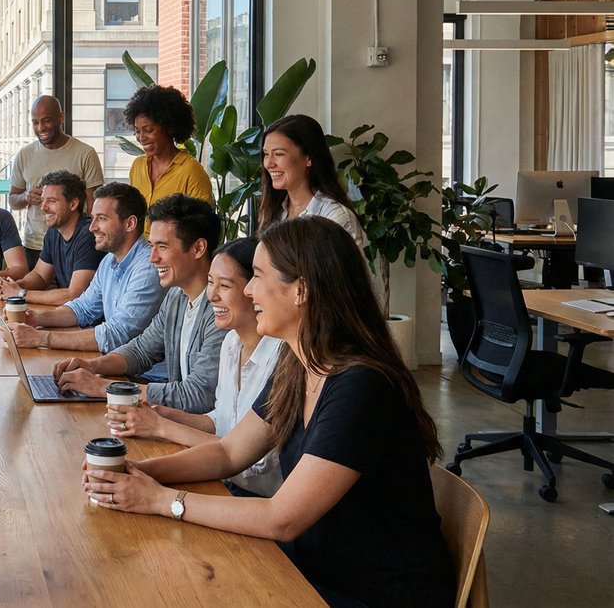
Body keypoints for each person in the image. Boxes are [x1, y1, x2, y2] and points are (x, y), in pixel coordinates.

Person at [83, 216, 454, 608]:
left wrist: (160, 501)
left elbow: (283, 517)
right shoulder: (297, 364)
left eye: (257, 276)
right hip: (312, 566)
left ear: (301, 291)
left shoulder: (361, 388)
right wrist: (139, 474)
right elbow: (230, 452)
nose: (248, 289)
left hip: (372, 592)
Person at [107, 237, 284, 497]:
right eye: (211, 282)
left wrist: (161, 427)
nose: (212, 295)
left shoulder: (283, 359)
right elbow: (220, 420)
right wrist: (161, 414)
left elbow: (252, 463)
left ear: (253, 291)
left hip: (254, 497)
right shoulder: (232, 342)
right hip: (221, 480)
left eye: (224, 285)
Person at [51, 194, 224, 413]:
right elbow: (142, 350)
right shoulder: (176, 296)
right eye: (151, 246)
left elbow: (197, 396)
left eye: (162, 247)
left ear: (198, 248)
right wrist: (91, 366)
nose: (152, 258)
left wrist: (104, 387)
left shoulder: (220, 309)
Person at [5, 183, 162, 352]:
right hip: (116, 364)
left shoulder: (148, 268)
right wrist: (37, 319)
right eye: (93, 218)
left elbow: (117, 335)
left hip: (144, 376)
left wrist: (41, 337)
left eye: (101, 218)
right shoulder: (109, 260)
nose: (92, 227)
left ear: (130, 223)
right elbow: (83, 308)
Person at [7, 95, 104, 268]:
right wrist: (26, 197)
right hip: (34, 246)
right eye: (35, 122)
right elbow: (13, 200)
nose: (40, 128)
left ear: (61, 117)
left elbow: (94, 206)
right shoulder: (24, 155)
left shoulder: (85, 153)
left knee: (72, 293)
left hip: (74, 246)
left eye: (46, 121)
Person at [0, 170, 103, 305]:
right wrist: (13, 286)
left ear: (73, 204)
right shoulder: (54, 232)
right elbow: (40, 275)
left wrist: (20, 293)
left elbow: (74, 295)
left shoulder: (88, 235)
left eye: (51, 201)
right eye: (43, 200)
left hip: (93, 323)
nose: (43, 207)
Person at [258, 114, 365, 248]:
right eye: (266, 154)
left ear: (309, 158)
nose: (268, 163)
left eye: (279, 154)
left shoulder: (334, 216)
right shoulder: (275, 210)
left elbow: (341, 269)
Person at [124, 85, 214, 222]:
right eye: (137, 131)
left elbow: (202, 226)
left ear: (169, 127)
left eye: (148, 130)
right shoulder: (138, 166)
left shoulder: (191, 172)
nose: (141, 137)